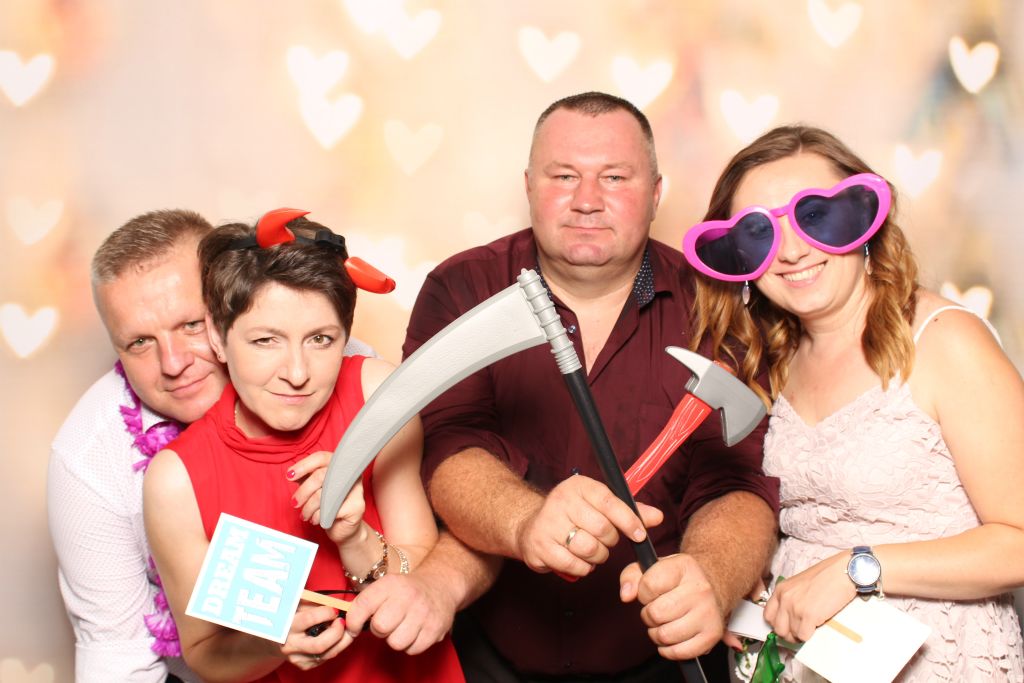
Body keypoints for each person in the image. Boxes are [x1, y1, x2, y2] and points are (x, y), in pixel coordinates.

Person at [403, 91, 780, 681]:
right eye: (563, 176)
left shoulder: (717, 304)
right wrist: (525, 520)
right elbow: (450, 444)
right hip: (487, 658)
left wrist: (710, 574)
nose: (586, 200)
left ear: (656, 194)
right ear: (529, 186)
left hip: (660, 663)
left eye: (614, 177)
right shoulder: (462, 287)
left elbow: (738, 479)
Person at [678, 125, 1024, 680]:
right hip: (799, 658)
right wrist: (746, 586)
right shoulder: (775, 357)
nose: (791, 251)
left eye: (815, 216)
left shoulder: (945, 340)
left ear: (864, 220)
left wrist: (859, 568)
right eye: (759, 234)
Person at [143, 210, 464, 682]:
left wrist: (354, 538)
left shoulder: (378, 399)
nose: (296, 373)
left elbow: (425, 573)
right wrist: (273, 644)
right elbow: (205, 651)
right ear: (217, 337)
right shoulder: (176, 480)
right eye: (265, 340)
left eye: (320, 339)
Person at [48, 209, 228, 682]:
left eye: (191, 324)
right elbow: (117, 654)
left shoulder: (316, 364)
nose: (173, 363)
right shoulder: (87, 455)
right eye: (140, 342)